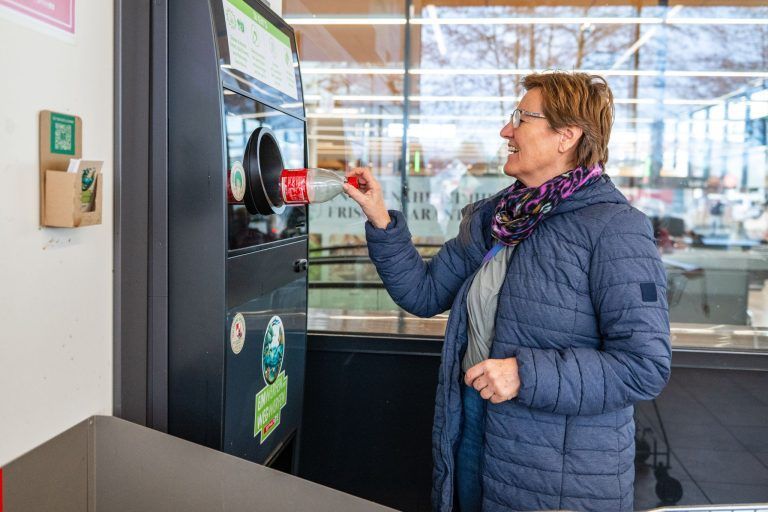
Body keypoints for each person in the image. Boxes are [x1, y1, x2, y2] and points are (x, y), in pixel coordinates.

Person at [343, 71, 671, 512]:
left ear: (566, 136)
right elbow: (423, 293)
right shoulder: (496, 218)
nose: (506, 130)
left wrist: (525, 374)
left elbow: (644, 365)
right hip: (473, 431)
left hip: (557, 474)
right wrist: (380, 216)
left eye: (521, 117)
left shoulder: (616, 229)